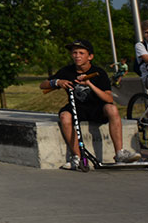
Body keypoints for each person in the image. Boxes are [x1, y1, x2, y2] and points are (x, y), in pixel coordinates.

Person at [39, 39, 140, 168]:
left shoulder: (99, 73)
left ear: (90, 56)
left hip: (97, 108)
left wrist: (90, 84)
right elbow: (43, 85)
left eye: (81, 53)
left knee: (112, 109)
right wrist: (57, 82)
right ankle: (77, 156)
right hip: (77, 107)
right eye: (75, 53)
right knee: (64, 116)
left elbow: (108, 98)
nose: (77, 56)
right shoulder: (67, 71)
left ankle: (119, 153)